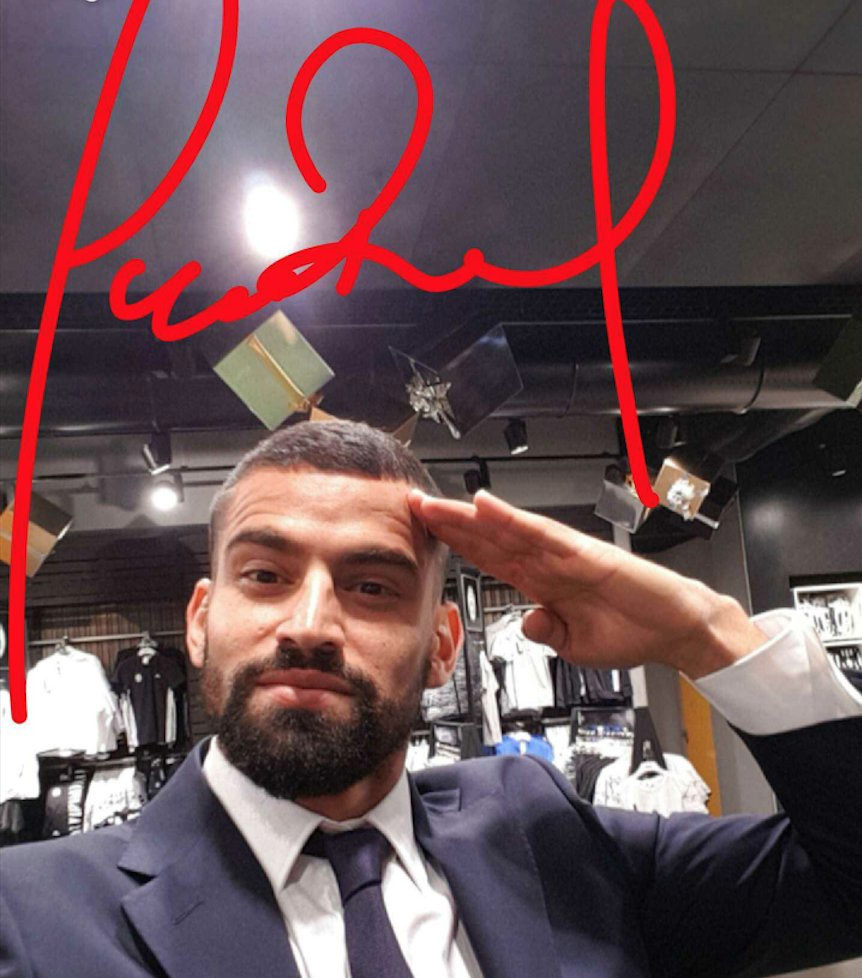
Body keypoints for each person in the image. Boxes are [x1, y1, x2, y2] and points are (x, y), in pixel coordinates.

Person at [1, 419, 861, 978]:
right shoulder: (32, 915)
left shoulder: (543, 833)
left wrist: (708, 635)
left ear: (445, 646)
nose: (310, 625)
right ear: (200, 622)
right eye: (264, 575)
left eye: (372, 587)